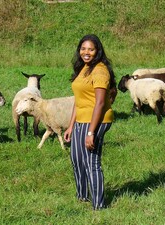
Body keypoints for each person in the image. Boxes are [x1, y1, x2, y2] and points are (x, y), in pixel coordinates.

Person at [63, 34, 116, 210]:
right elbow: (79, 101)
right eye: (83, 48)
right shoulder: (83, 68)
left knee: (91, 161)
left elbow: (100, 103)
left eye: (91, 49)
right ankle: (82, 196)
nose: (86, 52)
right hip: (81, 120)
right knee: (77, 159)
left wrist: (91, 132)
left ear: (97, 51)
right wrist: (71, 126)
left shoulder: (100, 70)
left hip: (96, 120)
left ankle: (99, 205)